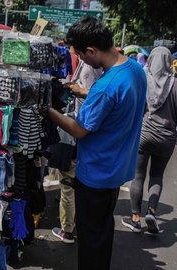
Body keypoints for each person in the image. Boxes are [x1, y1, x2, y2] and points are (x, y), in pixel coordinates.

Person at [46, 17, 147, 269]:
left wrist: (47, 110)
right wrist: (82, 92)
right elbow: (120, 101)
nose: (81, 60)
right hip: (116, 168)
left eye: (81, 55)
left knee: (91, 240)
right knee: (102, 233)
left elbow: (79, 130)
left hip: (96, 173)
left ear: (91, 51)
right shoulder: (134, 69)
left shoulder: (105, 86)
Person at [121, 47, 177, 235]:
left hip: (144, 134)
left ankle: (135, 219)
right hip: (167, 138)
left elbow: (132, 107)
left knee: (138, 176)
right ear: (169, 61)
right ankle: (151, 212)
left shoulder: (143, 80)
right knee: (156, 176)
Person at [51, 55, 102, 244]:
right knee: (81, 184)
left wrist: (77, 91)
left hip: (77, 133)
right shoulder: (101, 70)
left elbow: (87, 100)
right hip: (89, 137)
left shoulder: (89, 68)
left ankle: (67, 231)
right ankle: (81, 227)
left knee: (68, 185)